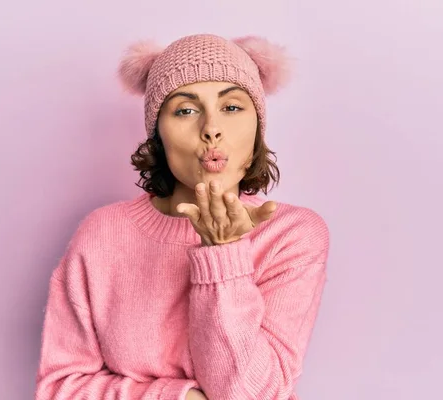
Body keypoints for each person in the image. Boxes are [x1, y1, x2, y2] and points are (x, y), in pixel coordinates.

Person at [34, 33, 330, 400]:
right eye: (185, 110)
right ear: (158, 133)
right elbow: (60, 388)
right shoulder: (102, 233)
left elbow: (251, 393)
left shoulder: (292, 235)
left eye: (232, 107)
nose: (211, 128)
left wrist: (223, 252)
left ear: (257, 129)